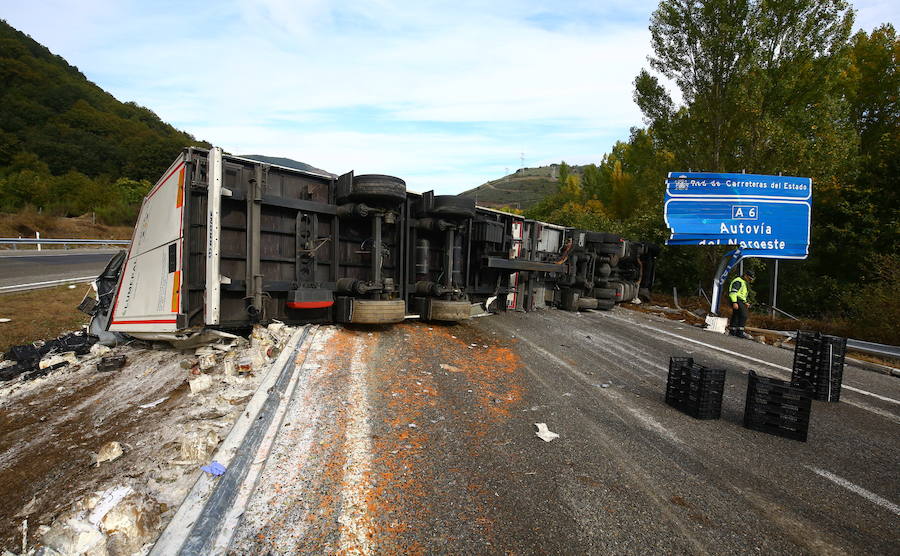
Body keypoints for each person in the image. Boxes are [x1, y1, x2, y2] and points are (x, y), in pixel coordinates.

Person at [728, 269, 754, 338]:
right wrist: (734, 302)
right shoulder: (738, 281)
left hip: (740, 300)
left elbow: (742, 295)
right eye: (749, 278)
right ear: (745, 275)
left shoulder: (743, 282)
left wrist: (745, 302)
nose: (750, 280)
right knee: (743, 315)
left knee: (736, 315)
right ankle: (739, 333)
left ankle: (733, 331)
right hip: (736, 299)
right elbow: (733, 292)